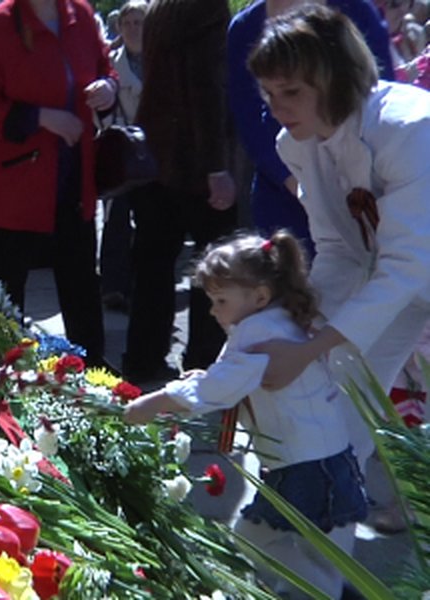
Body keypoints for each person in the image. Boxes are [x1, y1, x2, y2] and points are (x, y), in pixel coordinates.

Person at [124, 231, 368, 600]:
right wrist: (205, 376)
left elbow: (220, 388)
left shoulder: (259, 333)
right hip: (322, 453)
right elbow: (232, 375)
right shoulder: (275, 319)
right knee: (306, 542)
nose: (212, 310)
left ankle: (324, 592)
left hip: (305, 462)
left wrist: (155, 401)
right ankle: (326, 590)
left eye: (220, 300)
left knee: (254, 537)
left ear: (259, 296)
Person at [247, 4, 430, 483]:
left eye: (291, 92)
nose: (276, 109)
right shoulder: (298, 143)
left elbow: (404, 266)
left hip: (410, 277)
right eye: (268, 93)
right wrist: (299, 328)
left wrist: (309, 347)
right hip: (409, 287)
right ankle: (325, 521)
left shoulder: (410, 127)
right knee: (340, 419)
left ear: (336, 80)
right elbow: (339, 249)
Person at [0, 0, 116, 367]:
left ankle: (93, 386)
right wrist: (39, 118)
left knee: (83, 300)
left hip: (74, 185)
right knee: (3, 310)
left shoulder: (82, 15)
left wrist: (108, 87)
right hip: (15, 192)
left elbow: (105, 68)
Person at [122, 0, 237, 382]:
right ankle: (205, 361)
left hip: (157, 159)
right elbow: (206, 87)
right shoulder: (206, 9)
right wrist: (217, 167)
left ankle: (143, 356)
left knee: (153, 266)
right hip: (194, 164)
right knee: (216, 268)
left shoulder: (161, 7)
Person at [227, 0, 392, 255]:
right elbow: (247, 113)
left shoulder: (353, 9)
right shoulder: (244, 26)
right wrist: (294, 181)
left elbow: (377, 87)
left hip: (363, 172)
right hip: (282, 186)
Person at [99, 0, 146, 312]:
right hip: (119, 154)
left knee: (148, 223)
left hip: (152, 155)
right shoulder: (111, 65)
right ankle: (113, 286)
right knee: (116, 219)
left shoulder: (162, 63)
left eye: (139, 22)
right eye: (128, 23)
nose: (133, 29)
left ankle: (140, 286)